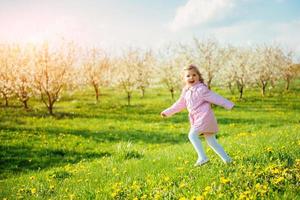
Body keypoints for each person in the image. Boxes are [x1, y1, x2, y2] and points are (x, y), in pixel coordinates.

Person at [160, 64, 234, 166]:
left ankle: (202, 157)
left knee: (192, 135)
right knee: (212, 141)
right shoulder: (186, 91)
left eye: (194, 75)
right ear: (184, 78)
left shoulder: (201, 89)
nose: (191, 77)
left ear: (199, 76)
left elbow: (215, 97)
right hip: (197, 118)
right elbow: (180, 104)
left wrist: (228, 104)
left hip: (204, 117)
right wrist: (167, 112)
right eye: (188, 76)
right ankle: (228, 160)